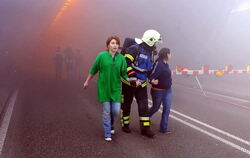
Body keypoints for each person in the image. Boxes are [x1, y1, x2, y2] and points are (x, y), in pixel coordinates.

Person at [83, 36, 128, 141]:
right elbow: (93, 69)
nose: (115, 45)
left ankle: (112, 124)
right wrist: (87, 81)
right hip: (104, 88)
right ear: (108, 45)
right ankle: (107, 133)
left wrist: (131, 80)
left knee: (115, 111)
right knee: (107, 111)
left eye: (117, 43)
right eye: (112, 43)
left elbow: (124, 74)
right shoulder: (101, 56)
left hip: (116, 89)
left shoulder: (122, 58)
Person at [120, 29, 161, 138]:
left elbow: (148, 69)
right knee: (126, 104)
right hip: (129, 83)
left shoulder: (151, 53)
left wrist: (151, 78)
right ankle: (125, 124)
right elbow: (125, 63)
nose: (156, 44)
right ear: (151, 40)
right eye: (156, 41)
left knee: (144, 106)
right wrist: (133, 78)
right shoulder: (135, 49)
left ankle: (145, 128)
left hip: (141, 84)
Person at [149, 48, 172, 134]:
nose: (171, 55)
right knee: (156, 107)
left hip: (168, 90)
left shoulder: (166, 64)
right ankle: (146, 117)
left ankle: (164, 128)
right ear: (166, 54)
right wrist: (152, 81)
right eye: (170, 54)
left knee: (167, 109)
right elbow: (151, 75)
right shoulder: (159, 64)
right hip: (158, 91)